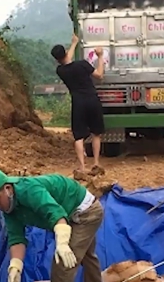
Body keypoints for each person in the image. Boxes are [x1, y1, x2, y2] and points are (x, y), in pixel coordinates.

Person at [51, 34, 106, 176]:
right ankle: (96, 163)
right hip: (92, 99)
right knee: (96, 133)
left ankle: (82, 167)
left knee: (79, 136)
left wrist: (74, 43)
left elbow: (66, 59)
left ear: (56, 59)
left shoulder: (61, 71)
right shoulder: (83, 65)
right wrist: (100, 56)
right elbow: (99, 75)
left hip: (78, 102)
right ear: (65, 52)